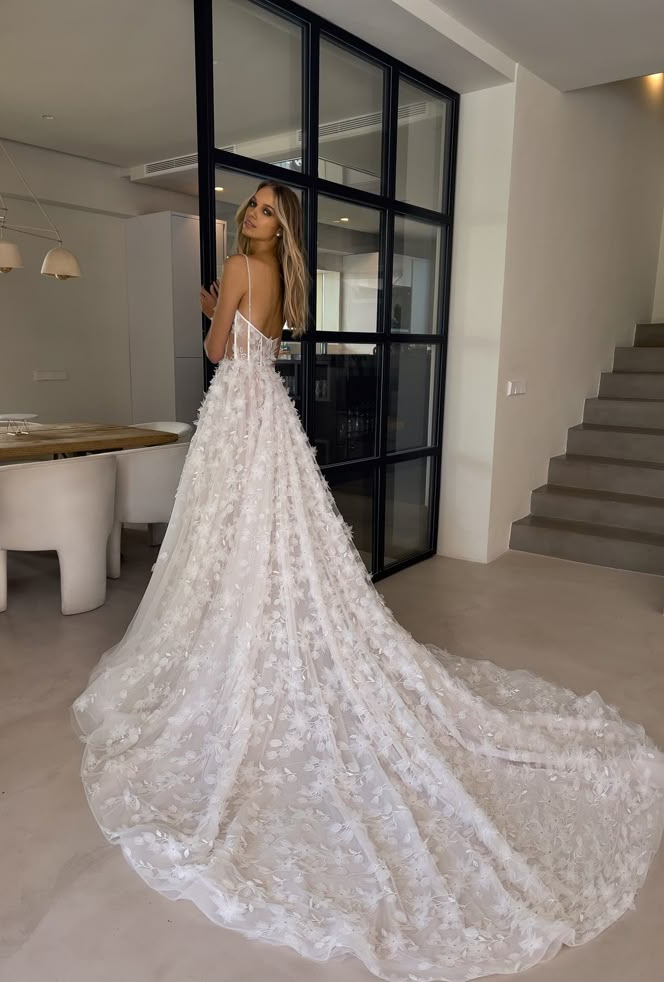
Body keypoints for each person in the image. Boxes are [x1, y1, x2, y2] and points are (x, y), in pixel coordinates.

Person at [72, 181, 664, 982]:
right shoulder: (277, 275)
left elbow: (217, 354)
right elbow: (258, 340)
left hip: (238, 418)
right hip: (268, 416)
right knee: (267, 538)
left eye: (265, 212)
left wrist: (214, 302)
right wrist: (230, 301)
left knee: (232, 538)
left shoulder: (246, 268)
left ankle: (239, 641)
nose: (253, 217)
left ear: (276, 226)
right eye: (251, 207)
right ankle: (262, 631)